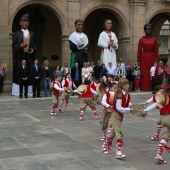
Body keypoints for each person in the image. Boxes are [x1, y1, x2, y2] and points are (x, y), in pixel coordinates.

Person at [101, 78, 133, 158]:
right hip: (115, 115)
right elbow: (118, 108)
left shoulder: (127, 94)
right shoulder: (119, 94)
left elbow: (125, 103)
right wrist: (129, 109)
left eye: (128, 84)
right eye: (127, 84)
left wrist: (130, 105)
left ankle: (104, 146)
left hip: (120, 115)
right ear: (122, 85)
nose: (128, 85)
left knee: (112, 133)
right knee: (120, 132)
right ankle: (118, 152)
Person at [12, 13, 36, 96]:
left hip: (29, 56)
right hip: (20, 55)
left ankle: (29, 91)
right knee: (20, 71)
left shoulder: (32, 34)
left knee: (29, 71)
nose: (25, 23)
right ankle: (19, 91)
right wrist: (20, 46)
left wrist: (33, 49)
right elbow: (14, 45)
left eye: (27, 21)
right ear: (20, 23)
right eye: (24, 21)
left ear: (29, 23)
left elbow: (35, 45)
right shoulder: (17, 33)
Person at [137, 23, 159, 91]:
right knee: (145, 73)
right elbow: (139, 50)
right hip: (144, 57)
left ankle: (152, 87)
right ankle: (144, 88)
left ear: (151, 30)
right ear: (145, 30)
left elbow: (156, 50)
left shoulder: (154, 39)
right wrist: (138, 59)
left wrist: (157, 59)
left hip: (152, 56)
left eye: (150, 29)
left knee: (152, 72)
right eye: (147, 29)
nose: (148, 30)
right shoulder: (141, 39)